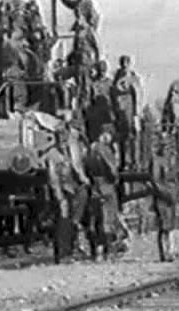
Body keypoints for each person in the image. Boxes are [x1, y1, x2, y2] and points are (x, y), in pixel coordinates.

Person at [44, 125, 90, 263]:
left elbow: (79, 166)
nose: (63, 138)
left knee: (75, 220)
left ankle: (75, 247)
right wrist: (60, 197)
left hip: (76, 187)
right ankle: (63, 253)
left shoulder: (74, 149)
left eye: (64, 134)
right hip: (63, 189)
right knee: (63, 220)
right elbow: (53, 177)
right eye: (60, 135)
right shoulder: (52, 154)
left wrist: (84, 180)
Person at [84, 126, 120, 260]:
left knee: (96, 218)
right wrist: (115, 177)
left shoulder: (89, 150)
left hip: (94, 186)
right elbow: (112, 170)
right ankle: (108, 249)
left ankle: (97, 249)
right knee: (108, 217)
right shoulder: (105, 150)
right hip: (106, 186)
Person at [110, 55, 142, 171]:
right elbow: (112, 96)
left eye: (126, 64)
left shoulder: (134, 78)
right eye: (123, 63)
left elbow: (138, 96)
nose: (125, 66)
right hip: (119, 113)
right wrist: (114, 112)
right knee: (122, 138)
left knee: (133, 137)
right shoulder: (116, 78)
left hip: (131, 111)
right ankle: (124, 162)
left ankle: (135, 162)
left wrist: (136, 114)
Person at [85, 60, 115, 143]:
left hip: (107, 113)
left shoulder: (110, 83)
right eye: (100, 71)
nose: (102, 73)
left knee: (109, 138)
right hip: (96, 114)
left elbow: (114, 99)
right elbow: (89, 99)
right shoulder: (93, 84)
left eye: (104, 71)